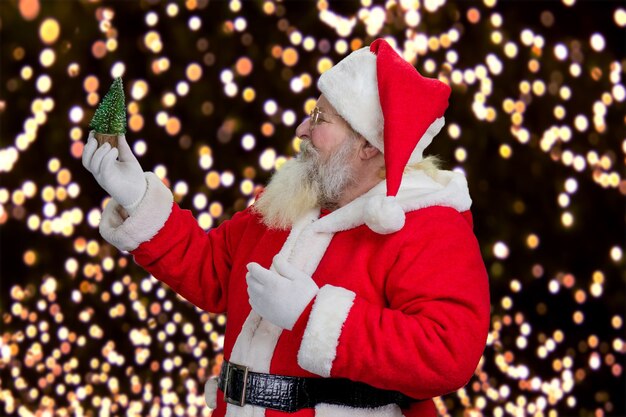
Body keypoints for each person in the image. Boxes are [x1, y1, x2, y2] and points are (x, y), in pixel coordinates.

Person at [82, 38, 490, 417]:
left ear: (368, 144)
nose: (302, 129)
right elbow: (211, 270)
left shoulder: (428, 223)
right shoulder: (289, 202)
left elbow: (447, 351)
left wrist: (313, 315)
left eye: (320, 118)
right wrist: (138, 197)